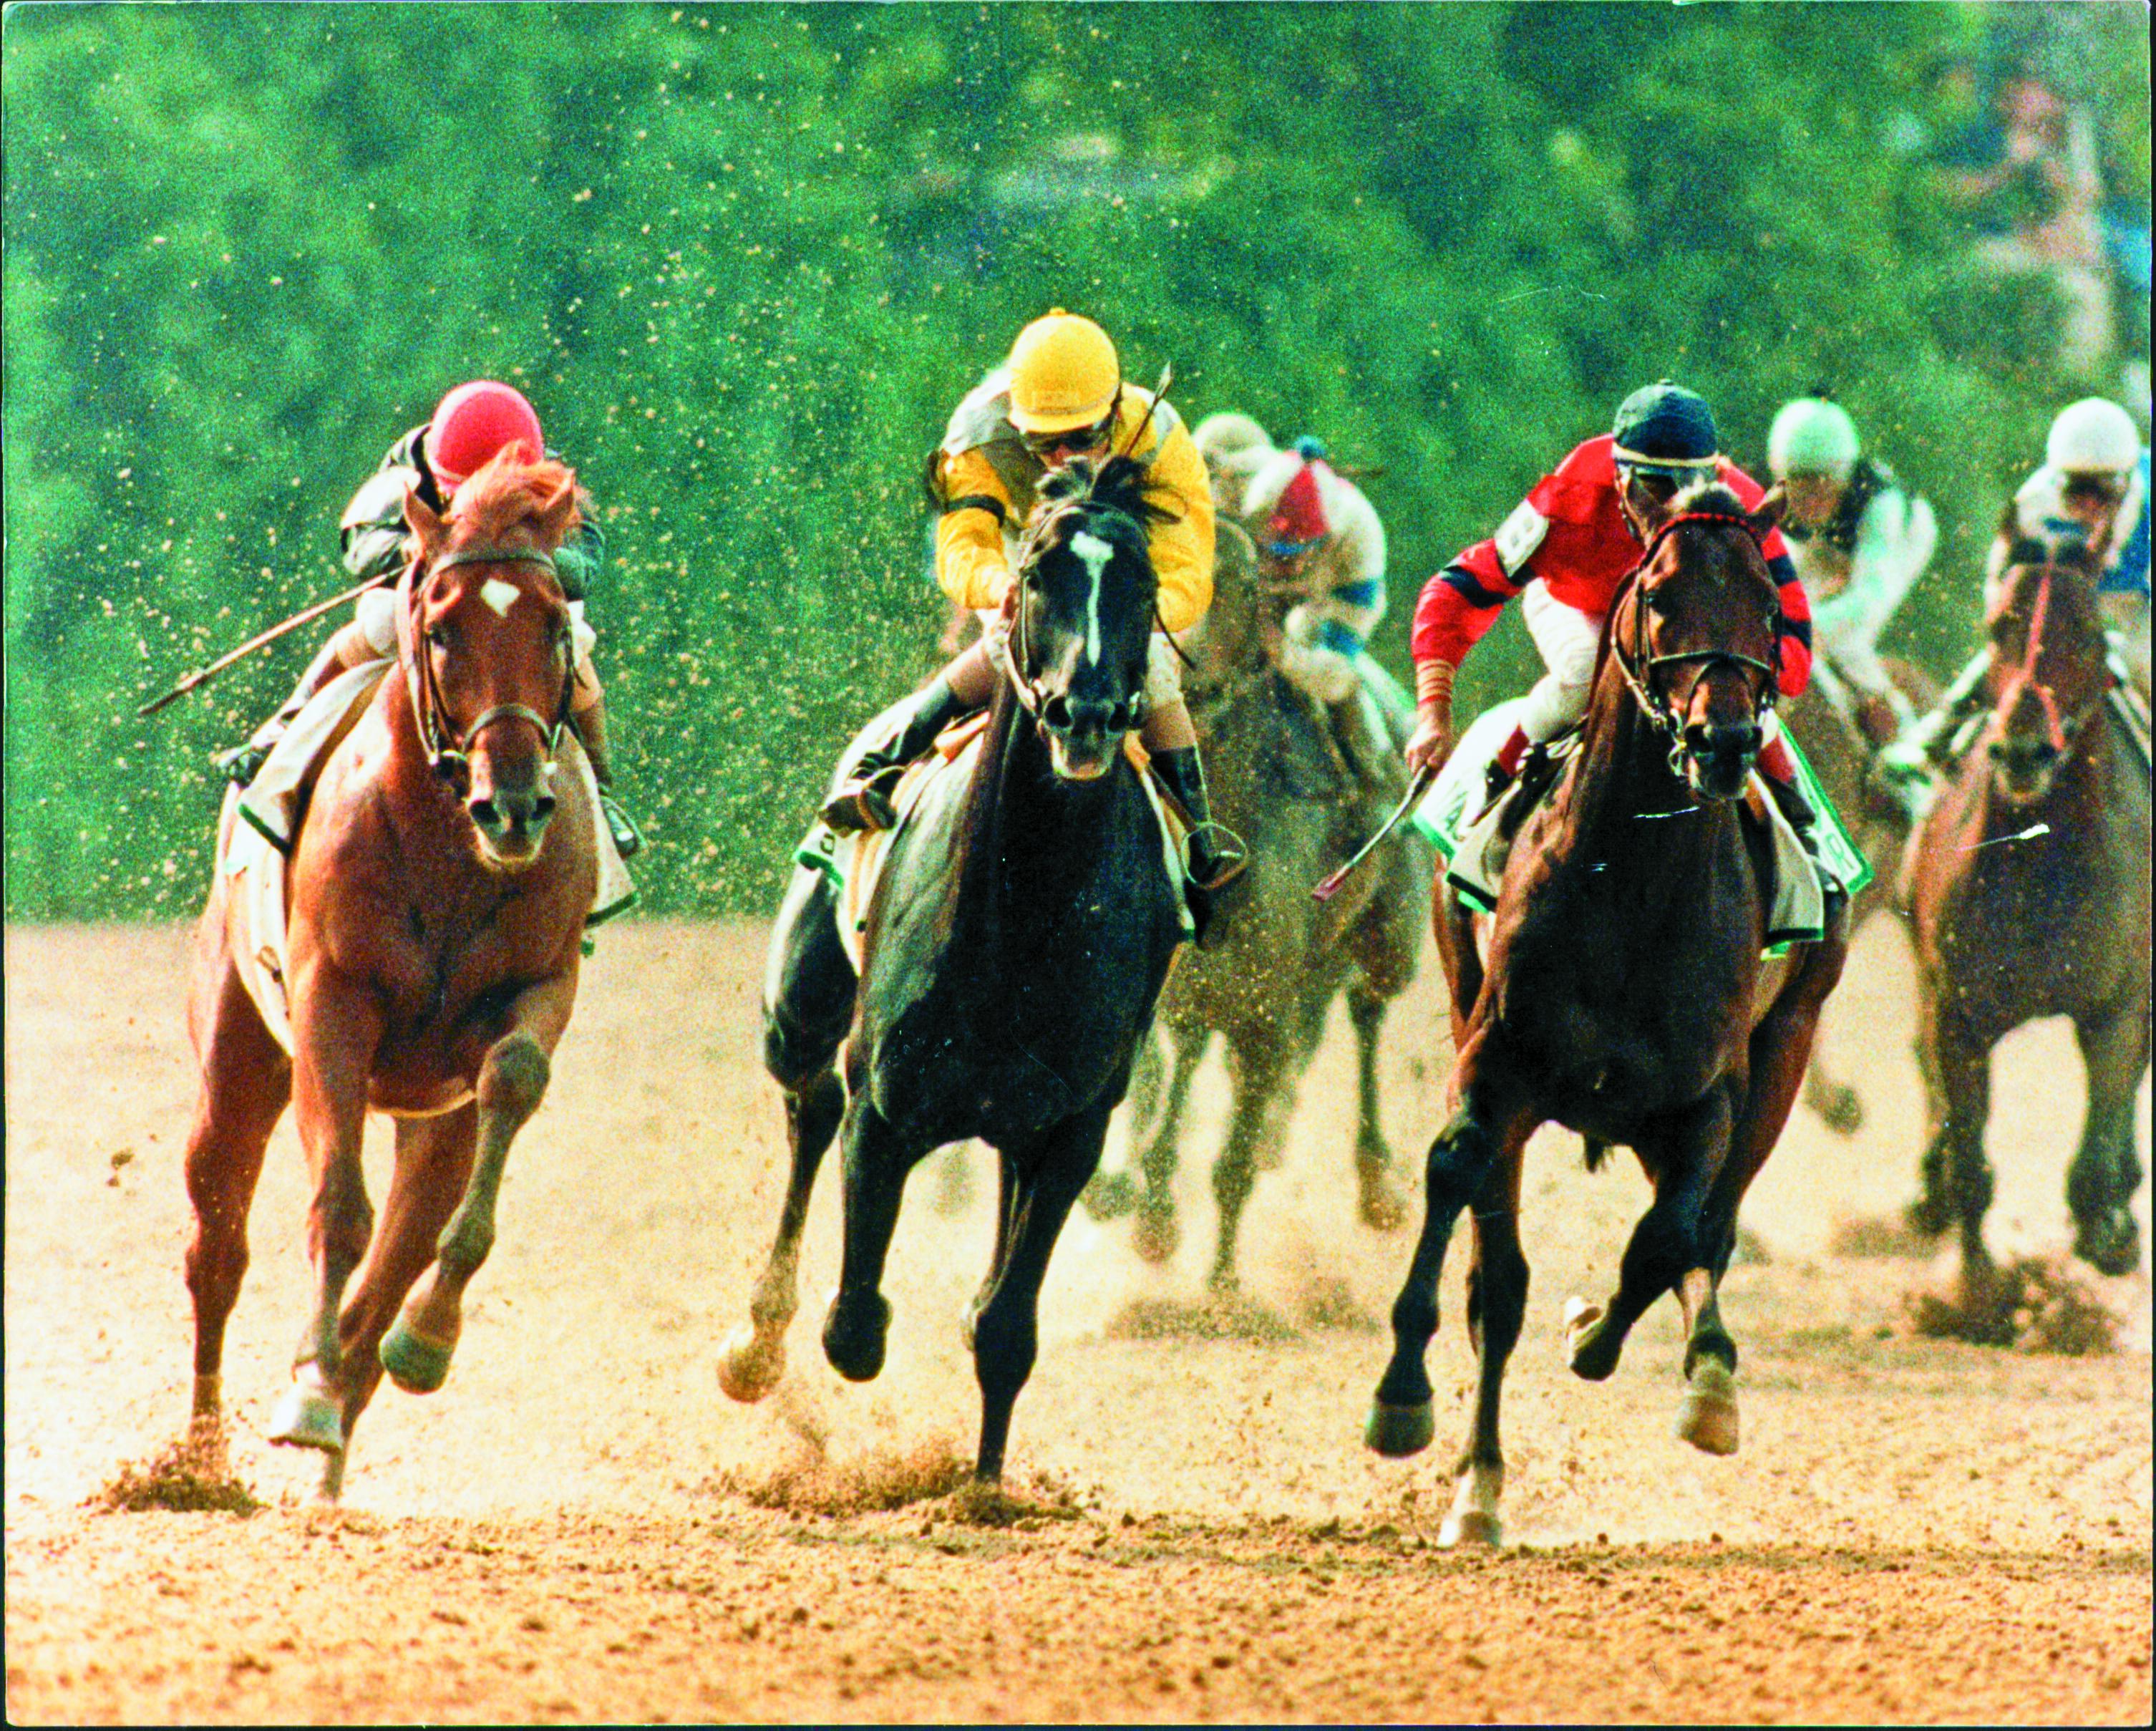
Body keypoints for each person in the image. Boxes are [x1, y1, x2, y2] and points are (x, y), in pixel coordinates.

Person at [818, 309, 1243, 939]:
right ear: (1016, 424)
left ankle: (1200, 839)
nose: (1062, 456)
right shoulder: (978, 434)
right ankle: (879, 765)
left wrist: (1136, 610)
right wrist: (1003, 588)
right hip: (1030, 563)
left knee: (1154, 667)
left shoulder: (1160, 435)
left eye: (1081, 437)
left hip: (1125, 573)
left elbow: (1189, 569)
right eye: (1043, 444)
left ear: (1113, 414)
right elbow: (962, 547)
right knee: (1003, 643)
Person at [1407, 381, 1838, 895]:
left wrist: (1754, 678)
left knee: (1732, 687)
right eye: (1657, 488)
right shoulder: (1568, 495)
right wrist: (1433, 709)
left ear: (1714, 474)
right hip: (1575, 603)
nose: (1675, 505)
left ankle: (1803, 826)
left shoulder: (1738, 506)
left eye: (1691, 485)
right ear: (1619, 477)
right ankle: (1497, 793)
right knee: (1590, 667)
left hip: (1680, 626)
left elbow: (1795, 627)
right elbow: (1460, 588)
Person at [218, 380, 639, 857]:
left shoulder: (544, 472)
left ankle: (601, 794)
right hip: (436, 594)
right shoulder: (412, 463)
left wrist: (520, 553)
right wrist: (417, 547)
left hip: (518, 595)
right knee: (376, 622)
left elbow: (585, 560)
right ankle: (282, 733)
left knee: (575, 637)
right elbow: (358, 545)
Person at [1885, 395, 2150, 784]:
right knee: (2020, 647)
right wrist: (2006, 631)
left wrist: (2111, 645)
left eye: (2104, 492)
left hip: (2138, 601)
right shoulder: (2034, 504)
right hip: (2073, 596)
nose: (2090, 504)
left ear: (2127, 481)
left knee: (2139, 661)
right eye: (2078, 490)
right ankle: (1936, 736)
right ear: (2059, 477)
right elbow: (2002, 586)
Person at [1765, 396, 1938, 739]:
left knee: (1848, 638)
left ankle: (1904, 740)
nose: (1810, 501)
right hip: (1833, 547)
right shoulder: (1775, 500)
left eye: (1822, 486)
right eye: (1800, 487)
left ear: (1843, 478)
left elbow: (1869, 599)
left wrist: (1807, 627)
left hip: (1907, 537)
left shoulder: (1883, 507)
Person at [1234, 435, 1397, 787]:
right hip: (1285, 579)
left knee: (1306, 633)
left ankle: (1377, 778)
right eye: (1272, 551)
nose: (1280, 566)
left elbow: (1338, 675)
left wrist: (1283, 653)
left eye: (1293, 554)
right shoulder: (1250, 487)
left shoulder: (1361, 545)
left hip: (1326, 604)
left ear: (1327, 541)